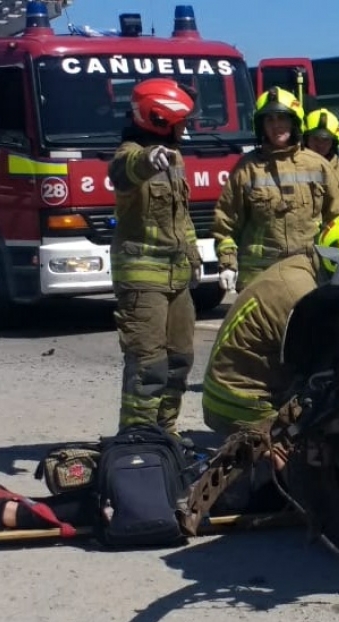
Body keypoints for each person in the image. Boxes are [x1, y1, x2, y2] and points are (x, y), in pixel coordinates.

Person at [202, 212, 339, 437]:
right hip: (237, 400)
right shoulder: (301, 295)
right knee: (323, 430)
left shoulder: (306, 266)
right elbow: (322, 367)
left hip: (233, 388)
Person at [108, 78, 202, 441]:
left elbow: (182, 216)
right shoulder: (131, 153)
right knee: (148, 365)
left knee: (179, 360)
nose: (186, 128)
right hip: (143, 281)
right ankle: (138, 438)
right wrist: (146, 160)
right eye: (181, 121)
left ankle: (165, 432)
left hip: (177, 277)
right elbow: (122, 172)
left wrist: (194, 257)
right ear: (159, 119)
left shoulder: (174, 156)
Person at [212, 87, 339, 294]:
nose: (277, 125)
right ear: (261, 126)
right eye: (270, 120)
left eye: (282, 118)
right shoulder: (246, 169)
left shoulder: (318, 166)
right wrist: (227, 264)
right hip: (258, 279)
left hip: (308, 275)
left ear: (294, 122)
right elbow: (225, 224)